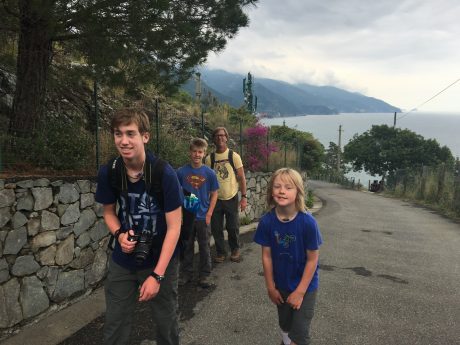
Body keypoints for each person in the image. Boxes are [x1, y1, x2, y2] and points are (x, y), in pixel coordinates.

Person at [95, 108, 183, 345]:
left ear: (145, 136)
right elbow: (109, 212)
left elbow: (175, 227)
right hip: (124, 260)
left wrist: (157, 275)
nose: (123, 141)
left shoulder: (164, 173)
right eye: (118, 134)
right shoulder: (110, 171)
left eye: (130, 133)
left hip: (160, 258)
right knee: (115, 323)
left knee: (166, 322)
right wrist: (119, 234)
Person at [254, 168, 322, 345]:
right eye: (277, 186)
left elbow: (313, 259)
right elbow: (266, 257)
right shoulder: (267, 222)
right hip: (281, 285)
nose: (282, 190)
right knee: (285, 327)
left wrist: (300, 292)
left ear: (298, 191)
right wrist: (270, 287)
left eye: (288, 187)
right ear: (271, 191)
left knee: (299, 336)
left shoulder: (308, 223)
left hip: (305, 287)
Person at [176, 138, 219, 287]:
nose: (197, 154)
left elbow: (215, 193)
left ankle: (205, 275)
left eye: (200, 152)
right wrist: (179, 216)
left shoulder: (209, 173)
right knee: (186, 246)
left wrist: (209, 214)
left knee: (204, 247)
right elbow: (176, 193)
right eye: (194, 151)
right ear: (190, 152)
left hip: (202, 217)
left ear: (204, 153)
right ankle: (186, 274)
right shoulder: (181, 172)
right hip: (187, 217)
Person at [205, 126, 247, 263]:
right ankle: (220, 252)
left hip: (231, 197)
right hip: (215, 199)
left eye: (222, 135)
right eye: (217, 136)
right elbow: (206, 181)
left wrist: (244, 198)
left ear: (227, 138)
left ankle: (234, 250)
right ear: (213, 139)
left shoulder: (234, 156)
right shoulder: (209, 159)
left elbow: (241, 178)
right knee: (216, 228)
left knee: (232, 226)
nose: (220, 138)